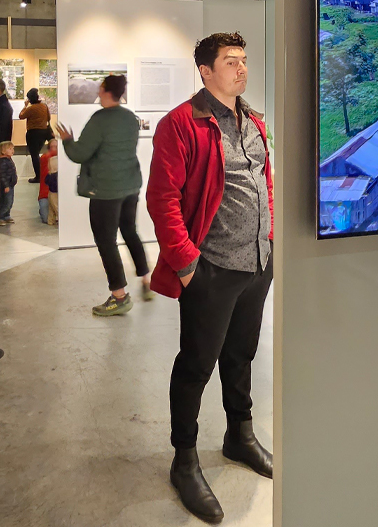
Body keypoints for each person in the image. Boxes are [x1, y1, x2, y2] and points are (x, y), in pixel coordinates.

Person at [147, 32, 274, 524]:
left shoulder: (254, 120)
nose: (242, 70)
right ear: (205, 70)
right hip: (211, 269)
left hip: (257, 264)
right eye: (230, 62)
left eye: (244, 60)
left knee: (241, 354)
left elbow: (264, 182)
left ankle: (238, 436)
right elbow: (163, 199)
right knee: (197, 364)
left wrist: (272, 238)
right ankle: (185, 459)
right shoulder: (181, 124)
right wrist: (187, 266)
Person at [57, 74, 149, 317]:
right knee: (129, 230)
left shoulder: (100, 119)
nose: (98, 92)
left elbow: (80, 154)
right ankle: (146, 280)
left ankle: (119, 296)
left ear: (107, 90)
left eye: (100, 88)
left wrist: (67, 141)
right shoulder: (130, 117)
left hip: (106, 189)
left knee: (106, 241)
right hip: (130, 184)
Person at [20, 88, 54, 184]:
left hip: (33, 133)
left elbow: (21, 116)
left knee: (35, 155)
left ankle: (38, 176)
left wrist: (25, 106)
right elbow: (49, 118)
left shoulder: (31, 108)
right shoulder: (44, 106)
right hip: (44, 131)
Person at [0, 141, 17, 226]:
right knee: (5, 201)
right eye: (10, 149)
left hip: (10, 185)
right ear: (3, 151)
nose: (12, 150)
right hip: (6, 186)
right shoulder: (2, 162)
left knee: (10, 201)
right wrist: (5, 185)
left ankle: (6, 215)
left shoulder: (8, 160)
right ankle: (0, 216)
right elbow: (2, 175)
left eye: (13, 148)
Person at [37, 139, 57, 223]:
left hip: (58, 194)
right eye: (52, 147)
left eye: (56, 147)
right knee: (46, 218)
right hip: (45, 195)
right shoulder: (45, 158)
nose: (54, 149)